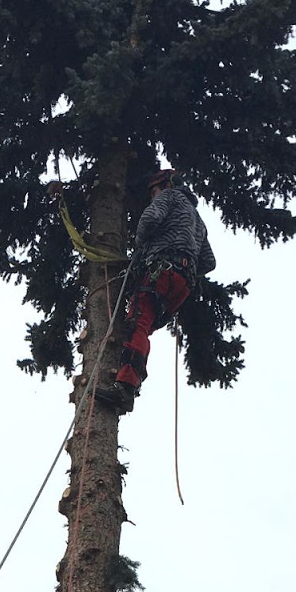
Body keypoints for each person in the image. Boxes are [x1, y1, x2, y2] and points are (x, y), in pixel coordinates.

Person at [103, 169, 215, 412]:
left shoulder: (169, 196)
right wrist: (185, 262)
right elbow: (209, 262)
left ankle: (125, 387)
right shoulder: (197, 218)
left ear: (166, 185)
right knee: (141, 327)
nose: (153, 196)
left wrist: (142, 246)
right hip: (182, 283)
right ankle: (131, 378)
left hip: (162, 271)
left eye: (154, 191)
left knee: (137, 324)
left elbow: (150, 219)